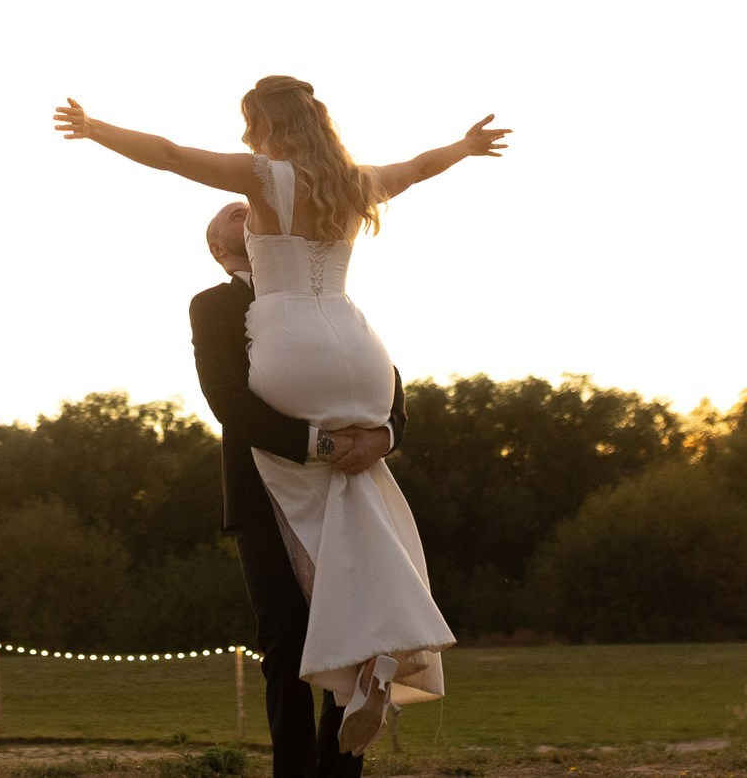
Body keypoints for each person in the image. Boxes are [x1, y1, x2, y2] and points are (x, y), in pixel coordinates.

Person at [57, 76, 508, 752]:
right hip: (357, 349)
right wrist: (465, 147)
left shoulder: (264, 180)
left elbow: (170, 153)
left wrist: (95, 129)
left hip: (297, 353)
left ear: (261, 124)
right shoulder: (353, 184)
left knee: (327, 507)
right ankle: (376, 659)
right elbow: (416, 168)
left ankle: (364, 666)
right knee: (356, 516)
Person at [193, 199, 407, 778]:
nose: (253, 210)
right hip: (264, 499)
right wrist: (325, 446)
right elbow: (229, 404)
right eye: (236, 212)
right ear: (219, 248)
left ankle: (341, 772)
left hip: (349, 492)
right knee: (286, 645)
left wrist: (383, 436)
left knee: (356, 637)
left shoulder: (323, 298)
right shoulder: (214, 306)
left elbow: (384, 378)